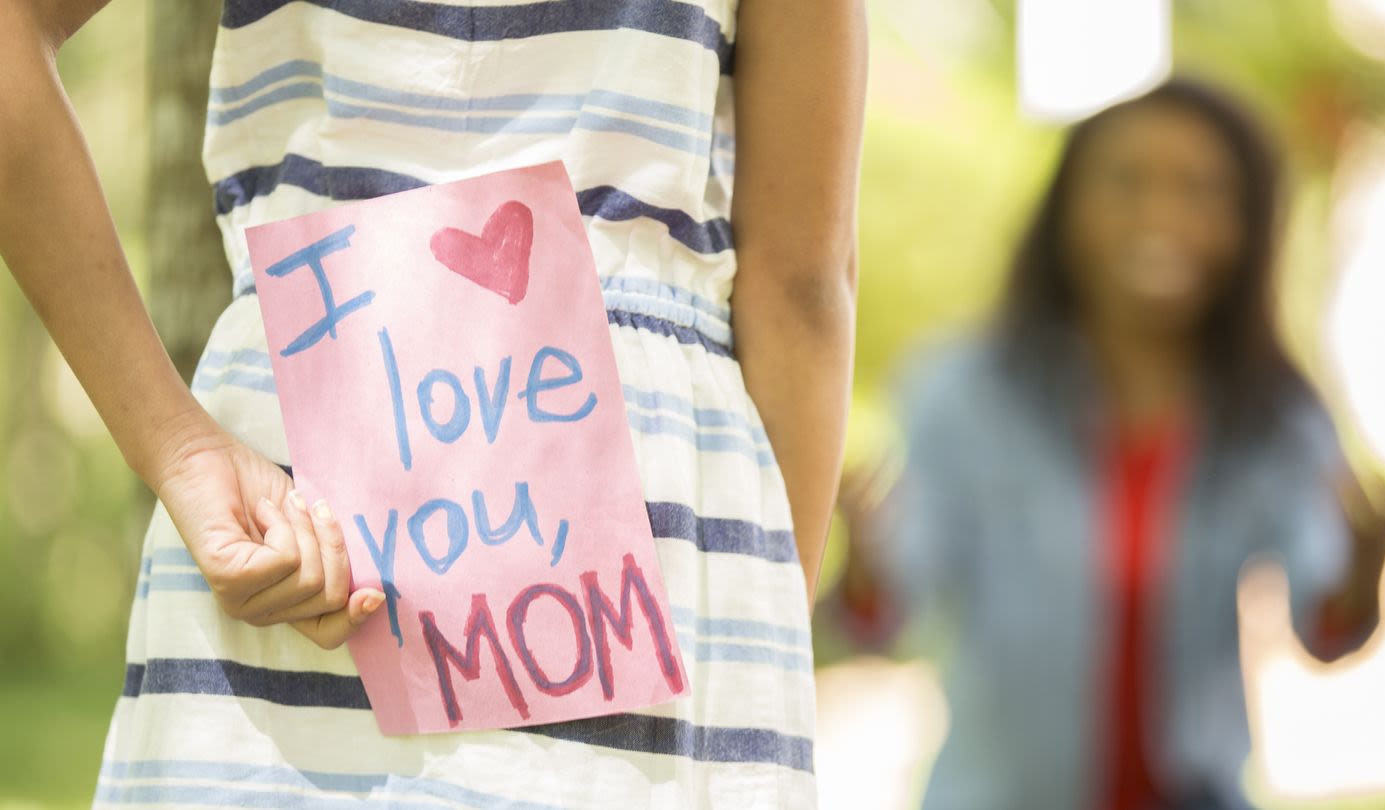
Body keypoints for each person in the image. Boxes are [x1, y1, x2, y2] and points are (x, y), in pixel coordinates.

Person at [0, 1, 865, 807]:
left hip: (295, 498)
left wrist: (178, 446)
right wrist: (757, 662)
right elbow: (799, 285)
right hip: (640, 549)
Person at [840, 78, 1371, 809]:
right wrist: (868, 566)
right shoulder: (962, 392)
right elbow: (890, 609)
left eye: (1201, 189)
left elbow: (1326, 628)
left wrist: (1362, 573)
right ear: (1066, 210)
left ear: (1249, 224)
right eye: (1125, 182)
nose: (1160, 215)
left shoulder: (1276, 416)